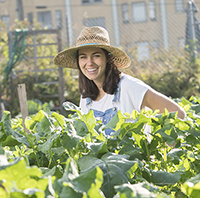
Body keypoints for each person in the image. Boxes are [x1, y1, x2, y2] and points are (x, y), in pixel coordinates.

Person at [53, 26, 186, 135]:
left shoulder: (128, 86)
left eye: (96, 56)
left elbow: (177, 113)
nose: (89, 63)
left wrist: (159, 150)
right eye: (83, 57)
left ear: (108, 58)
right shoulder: (85, 96)